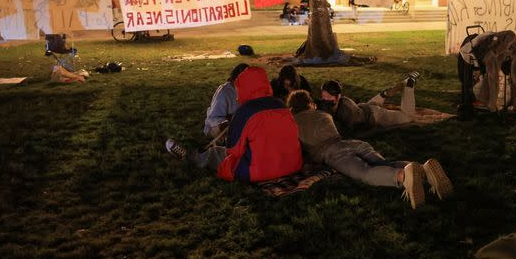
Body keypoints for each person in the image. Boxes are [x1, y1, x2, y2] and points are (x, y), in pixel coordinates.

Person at [287, 90, 452, 209]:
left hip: (332, 153)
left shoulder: (291, 122)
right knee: (384, 163)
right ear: (310, 104)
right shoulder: (324, 114)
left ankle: (403, 177)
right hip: (353, 143)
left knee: (365, 173)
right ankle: (424, 169)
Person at [167, 66, 303, 183]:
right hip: (292, 164)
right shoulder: (280, 104)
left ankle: (189, 157)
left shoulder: (245, 111)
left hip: (261, 170)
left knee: (216, 153)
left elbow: (232, 149)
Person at [319, 73, 420, 132]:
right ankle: (383, 94)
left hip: (376, 116)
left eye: (329, 97)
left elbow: (350, 130)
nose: (326, 99)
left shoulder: (346, 109)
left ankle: (409, 85)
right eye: (324, 96)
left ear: (338, 96)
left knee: (408, 117)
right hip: (365, 108)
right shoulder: (334, 103)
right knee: (369, 106)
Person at [203, 63, 249, 139]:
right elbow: (213, 118)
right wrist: (231, 120)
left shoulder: (249, 90)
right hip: (218, 126)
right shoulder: (224, 92)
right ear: (234, 79)